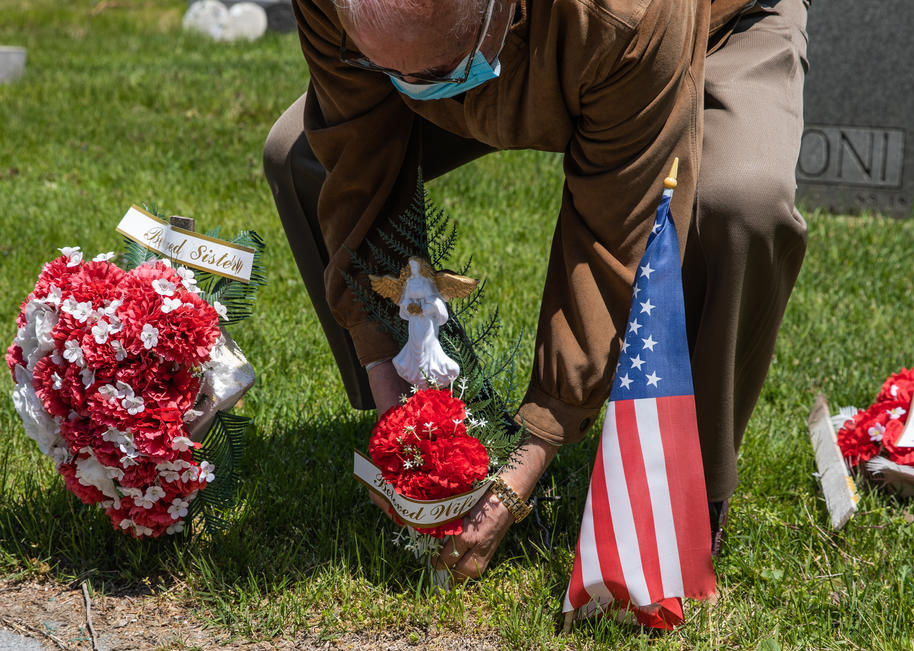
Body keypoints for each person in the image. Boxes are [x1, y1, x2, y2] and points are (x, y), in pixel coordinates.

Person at [264, 0, 809, 580]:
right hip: (508, 51)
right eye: (382, 66)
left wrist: (532, 454)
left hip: (709, 30)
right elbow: (356, 158)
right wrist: (386, 368)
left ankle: (685, 489)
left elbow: (611, 238)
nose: (406, 87)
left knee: (738, 205)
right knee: (298, 154)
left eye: (432, 72)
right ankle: (452, 418)